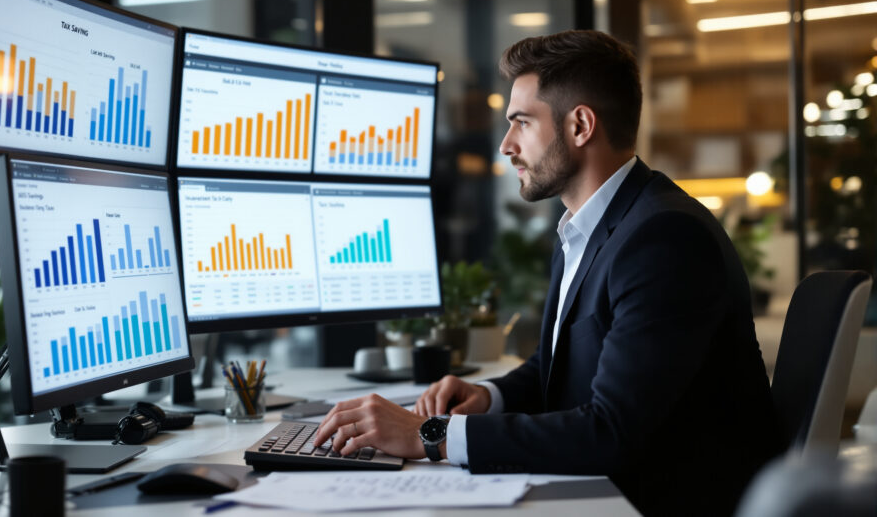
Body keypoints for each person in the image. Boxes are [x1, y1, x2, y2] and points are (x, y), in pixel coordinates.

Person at [314, 30, 785, 516]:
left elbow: (613, 431)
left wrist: (429, 434)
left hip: (659, 500)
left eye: (521, 123)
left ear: (580, 125)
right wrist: (487, 397)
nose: (505, 145)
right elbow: (557, 367)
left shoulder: (664, 239)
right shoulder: (592, 225)